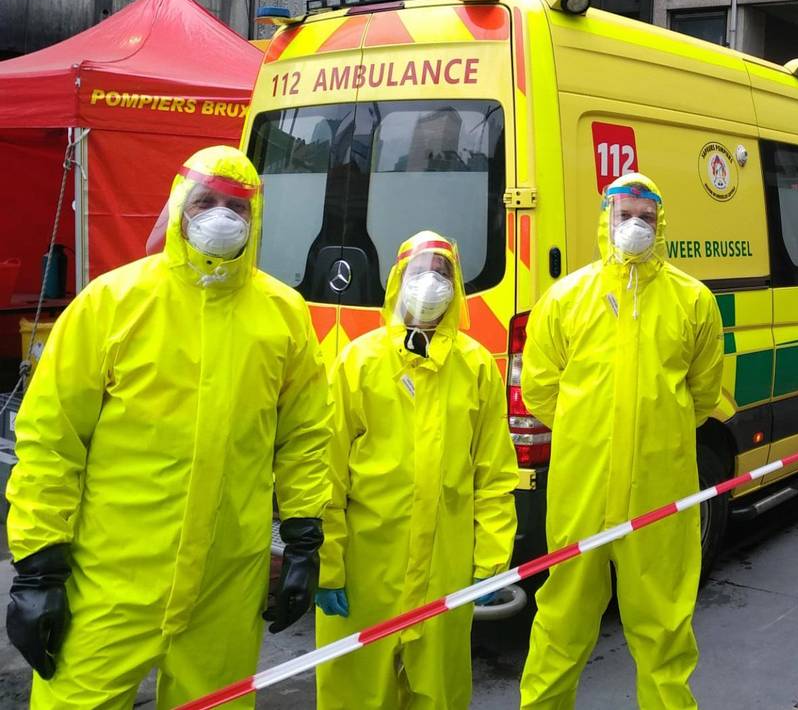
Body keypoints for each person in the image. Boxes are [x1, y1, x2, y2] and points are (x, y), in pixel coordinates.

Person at [5, 145, 331, 709]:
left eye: (237, 206)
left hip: (226, 581)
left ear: (256, 218)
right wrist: (38, 567)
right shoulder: (112, 303)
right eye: (206, 201)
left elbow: (304, 435)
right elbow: (51, 439)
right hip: (109, 578)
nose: (221, 216)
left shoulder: (283, 314)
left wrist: (304, 538)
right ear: (179, 205)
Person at [518, 173, 724, 710]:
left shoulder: (692, 301)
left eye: (646, 217)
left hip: (660, 492)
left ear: (662, 224)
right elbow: (540, 389)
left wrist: (655, 431)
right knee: (561, 623)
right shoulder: (566, 299)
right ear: (604, 220)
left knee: (664, 628)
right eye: (624, 215)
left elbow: (703, 394)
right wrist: (590, 432)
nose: (635, 225)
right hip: (581, 492)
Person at [313, 230, 517, 709]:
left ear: (457, 287)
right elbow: (327, 472)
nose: (431, 282)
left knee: (439, 695)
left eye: (443, 272)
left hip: (444, 573)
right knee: (354, 697)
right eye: (419, 272)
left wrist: (491, 564)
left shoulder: (475, 366)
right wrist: (328, 564)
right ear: (397, 282)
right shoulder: (359, 362)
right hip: (367, 571)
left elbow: (493, 475)